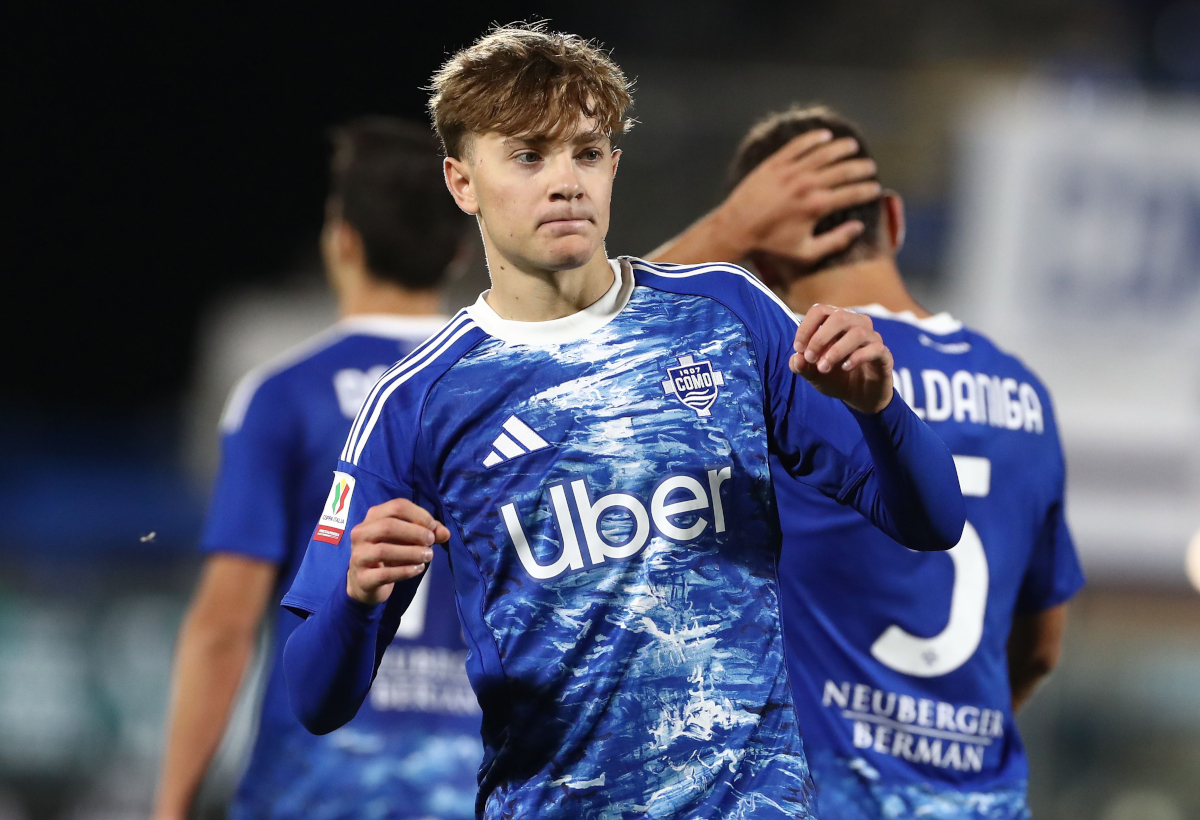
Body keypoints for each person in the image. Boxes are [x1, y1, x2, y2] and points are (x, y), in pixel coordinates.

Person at [281, 25, 965, 820]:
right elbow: (313, 698)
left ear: (613, 165)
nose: (565, 182)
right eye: (528, 156)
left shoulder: (727, 312)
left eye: (586, 152)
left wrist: (879, 409)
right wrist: (358, 597)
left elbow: (934, 523)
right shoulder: (417, 400)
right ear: (461, 182)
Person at [650, 106, 1085, 819]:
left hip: (823, 795)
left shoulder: (786, 372)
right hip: (976, 801)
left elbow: (594, 347)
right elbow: (1040, 649)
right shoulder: (1025, 394)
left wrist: (726, 231)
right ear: (893, 218)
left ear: (756, 265)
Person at [153, 118, 481, 820]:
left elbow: (225, 625)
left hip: (312, 789)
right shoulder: (501, 391)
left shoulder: (284, 396)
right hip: (465, 788)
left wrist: (172, 806)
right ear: (460, 250)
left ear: (343, 241)